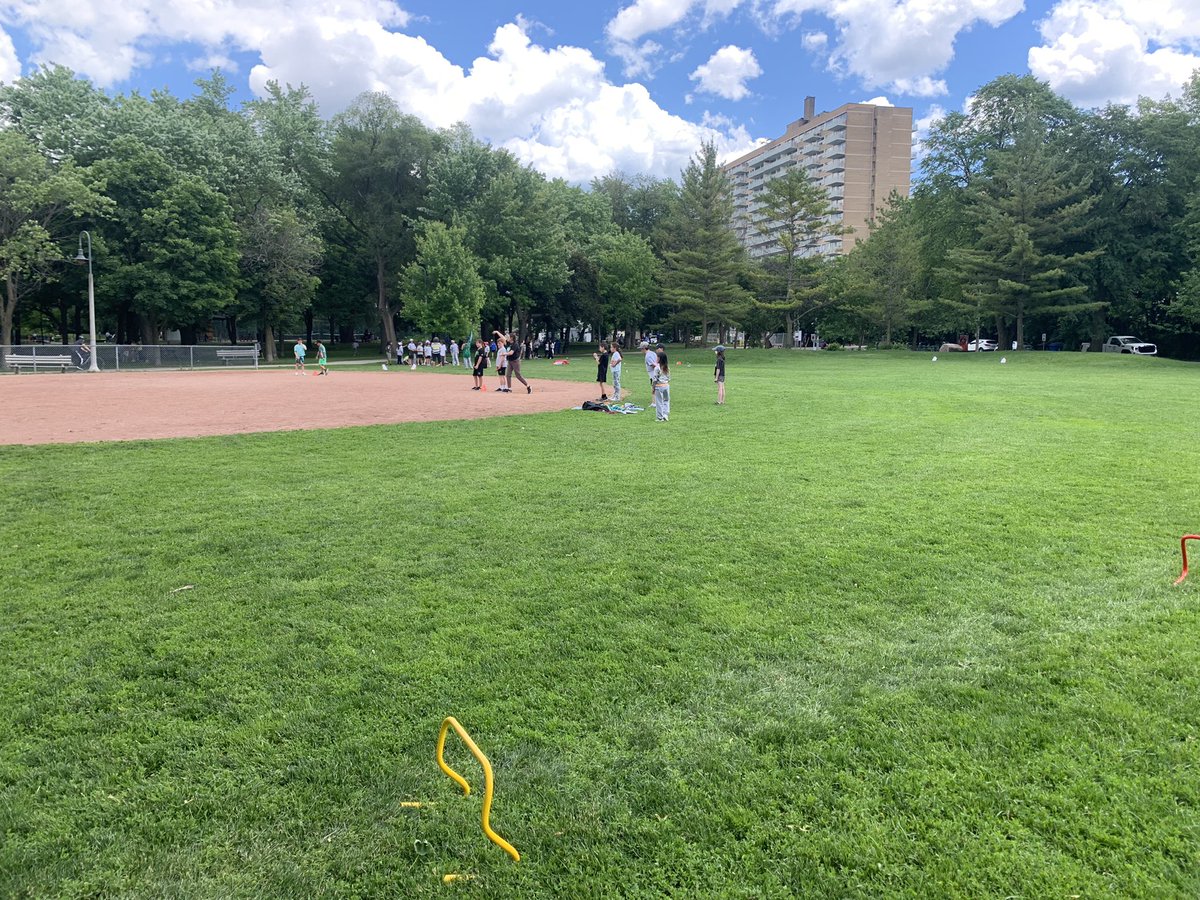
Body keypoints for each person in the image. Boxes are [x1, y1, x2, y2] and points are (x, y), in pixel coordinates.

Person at [651, 348, 670, 422]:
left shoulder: (657, 368)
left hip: (659, 386)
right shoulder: (667, 367)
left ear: (659, 359)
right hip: (666, 385)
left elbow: (655, 379)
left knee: (659, 402)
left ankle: (660, 417)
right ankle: (665, 414)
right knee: (666, 400)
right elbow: (669, 378)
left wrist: (653, 388)